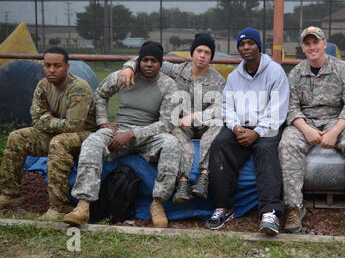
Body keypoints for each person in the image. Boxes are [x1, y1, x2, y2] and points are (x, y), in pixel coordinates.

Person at [63, 41, 181, 228]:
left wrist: (132, 134)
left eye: (154, 61)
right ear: (139, 61)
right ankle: (83, 205)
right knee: (92, 141)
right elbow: (100, 94)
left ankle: (157, 204)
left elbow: (167, 122)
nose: (149, 64)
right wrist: (102, 122)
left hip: (147, 135)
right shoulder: (124, 76)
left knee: (172, 144)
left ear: (160, 64)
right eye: (145, 60)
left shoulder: (168, 85)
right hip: (118, 130)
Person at [279, 26, 345, 233]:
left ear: (324, 43)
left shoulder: (342, 69)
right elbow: (290, 106)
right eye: (307, 43)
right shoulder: (296, 73)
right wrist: (305, 129)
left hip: (336, 120)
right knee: (287, 143)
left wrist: (335, 131)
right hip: (306, 121)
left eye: (316, 42)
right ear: (303, 47)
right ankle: (294, 207)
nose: (312, 47)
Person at [119, 34, 225, 203]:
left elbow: (219, 106)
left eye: (207, 52)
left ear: (211, 56)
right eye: (199, 50)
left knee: (219, 122)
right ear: (192, 53)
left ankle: (204, 177)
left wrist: (195, 116)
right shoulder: (177, 70)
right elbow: (147, 57)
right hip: (181, 124)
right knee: (173, 130)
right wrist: (129, 68)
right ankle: (183, 182)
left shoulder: (217, 80)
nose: (202, 55)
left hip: (203, 123)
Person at [205, 27, 289, 235]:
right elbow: (227, 106)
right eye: (242, 45)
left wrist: (257, 132)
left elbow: (278, 110)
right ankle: (224, 207)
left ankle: (270, 212)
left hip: (267, 127)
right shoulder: (235, 76)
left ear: (259, 46)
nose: (246, 47)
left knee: (266, 150)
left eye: (250, 43)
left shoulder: (275, 71)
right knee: (220, 145)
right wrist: (236, 127)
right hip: (241, 127)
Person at [0, 47, 97, 220]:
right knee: (17, 137)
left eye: (57, 65)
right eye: (47, 65)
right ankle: (11, 195)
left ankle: (58, 207)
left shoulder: (78, 88)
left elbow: (73, 126)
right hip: (57, 133)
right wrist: (50, 121)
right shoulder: (43, 85)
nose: (51, 70)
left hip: (86, 135)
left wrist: (48, 119)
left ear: (67, 67)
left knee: (59, 142)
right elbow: (36, 119)